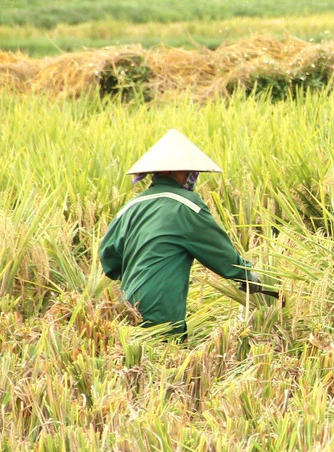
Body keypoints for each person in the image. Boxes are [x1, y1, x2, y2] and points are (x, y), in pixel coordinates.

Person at [98, 129, 275, 339]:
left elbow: (108, 259)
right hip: (161, 311)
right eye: (189, 172)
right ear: (173, 172)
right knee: (167, 358)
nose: (193, 177)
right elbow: (219, 252)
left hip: (125, 307)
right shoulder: (186, 206)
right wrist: (247, 275)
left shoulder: (131, 206)